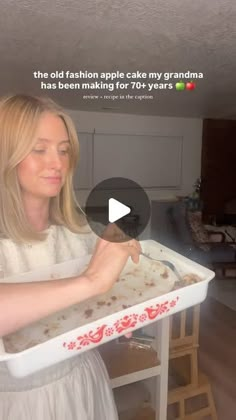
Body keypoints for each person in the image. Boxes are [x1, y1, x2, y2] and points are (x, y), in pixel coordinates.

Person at [0, 94, 141, 420]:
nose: (58, 163)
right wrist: (91, 281)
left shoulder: (80, 234)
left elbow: (94, 308)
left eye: (64, 151)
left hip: (84, 383)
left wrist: (121, 310)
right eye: (39, 149)